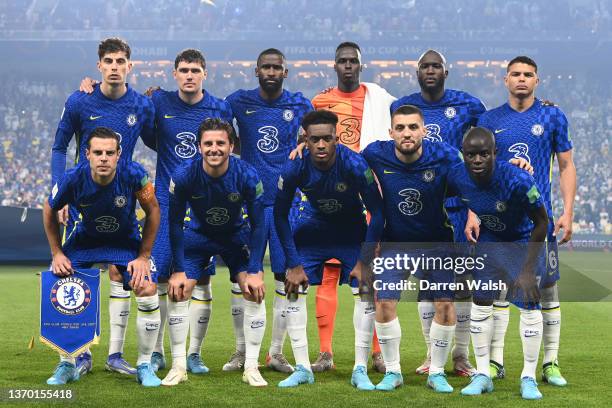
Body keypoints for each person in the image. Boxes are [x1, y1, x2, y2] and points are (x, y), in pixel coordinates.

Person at [79, 49, 233, 378]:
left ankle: (194, 354)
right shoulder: (158, 103)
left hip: (203, 203)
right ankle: (159, 350)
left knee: (200, 280)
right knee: (158, 277)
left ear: (205, 73)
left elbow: (229, 148)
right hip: (165, 201)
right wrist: (91, 87)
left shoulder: (221, 107)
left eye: (195, 69)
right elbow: (144, 132)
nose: (189, 75)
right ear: (174, 74)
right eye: (184, 70)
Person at [53, 37, 155, 377]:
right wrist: (59, 196)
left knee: (127, 274)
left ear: (130, 66)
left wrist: (159, 99)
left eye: (120, 61)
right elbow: (59, 147)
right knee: (75, 277)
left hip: (124, 200)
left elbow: (159, 140)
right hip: (84, 197)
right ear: (99, 66)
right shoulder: (80, 99)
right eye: (108, 61)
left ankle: (117, 356)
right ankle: (76, 356)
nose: (114, 67)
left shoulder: (141, 105)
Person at [476, 56, 575, 386]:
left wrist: (568, 210)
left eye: (528, 74)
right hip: (501, 222)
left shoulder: (552, 115)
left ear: (537, 80)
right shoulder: (488, 120)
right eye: (515, 74)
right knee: (499, 290)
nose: (522, 79)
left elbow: (565, 165)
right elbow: (479, 171)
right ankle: (495, 362)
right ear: (505, 80)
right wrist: (476, 211)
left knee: (547, 289)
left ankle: (550, 363)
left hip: (539, 220)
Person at [390, 49, 486, 377]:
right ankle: (432, 354)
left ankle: (460, 357)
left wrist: (476, 206)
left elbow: (484, 147)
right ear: (417, 72)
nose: (430, 71)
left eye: (436, 66)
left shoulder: (469, 105)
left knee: (461, 285)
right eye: (424, 66)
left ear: (447, 71)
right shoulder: (402, 107)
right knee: (427, 284)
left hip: (459, 209)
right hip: (422, 211)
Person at [274, 110, 384, 389]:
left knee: (365, 287)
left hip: (350, 230)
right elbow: (279, 216)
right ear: (305, 140)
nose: (321, 145)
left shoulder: (354, 165)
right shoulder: (294, 167)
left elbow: (378, 211)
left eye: (327, 139)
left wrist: (365, 259)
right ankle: (302, 369)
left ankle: (359, 368)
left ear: (337, 139)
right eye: (314, 139)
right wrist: (293, 263)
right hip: (314, 229)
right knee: (294, 287)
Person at [43, 127, 161, 386]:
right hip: (86, 240)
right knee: (62, 284)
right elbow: (48, 209)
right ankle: (68, 362)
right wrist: (56, 253)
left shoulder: (135, 175)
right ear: (87, 154)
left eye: (110, 152)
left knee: (147, 287)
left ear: (119, 154)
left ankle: (144, 364)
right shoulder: (73, 178)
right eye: (98, 152)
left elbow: (153, 211)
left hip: (125, 241)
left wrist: (143, 255)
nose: (104, 157)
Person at [307, 41, 396, 373]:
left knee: (369, 276)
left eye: (353, 61)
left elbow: (407, 117)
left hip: (368, 192)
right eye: (342, 61)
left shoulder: (379, 99)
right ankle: (326, 353)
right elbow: (306, 141)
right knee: (329, 273)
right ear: (334, 66)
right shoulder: (320, 101)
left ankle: (375, 353)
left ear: (361, 65)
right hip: (334, 198)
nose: (347, 65)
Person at [362, 105, 462, 393]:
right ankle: (393, 373)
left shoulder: (444, 156)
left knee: (445, 305)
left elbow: (476, 175)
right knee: (384, 303)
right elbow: (344, 163)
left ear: (424, 131)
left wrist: (513, 165)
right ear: (391, 132)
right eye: (401, 128)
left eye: (413, 127)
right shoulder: (374, 153)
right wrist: (302, 148)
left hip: (438, 243)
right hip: (395, 244)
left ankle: (438, 372)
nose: (407, 133)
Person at [225, 48, 313, 373]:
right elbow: (210, 118)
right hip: (248, 203)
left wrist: (305, 141)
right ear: (256, 70)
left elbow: (314, 135)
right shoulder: (238, 101)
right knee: (242, 277)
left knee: (284, 275)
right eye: (266, 67)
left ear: (285, 72)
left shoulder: (301, 104)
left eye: (277, 67)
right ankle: (239, 351)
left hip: (284, 203)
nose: (272, 72)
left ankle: (275, 353)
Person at [167, 118, 268, 387]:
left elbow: (260, 225)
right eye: (208, 143)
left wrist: (256, 269)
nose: (214, 149)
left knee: (253, 289)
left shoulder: (246, 174)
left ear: (231, 145)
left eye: (220, 143)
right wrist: (178, 269)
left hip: (236, 238)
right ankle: (178, 365)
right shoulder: (183, 175)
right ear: (199, 147)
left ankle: (251, 366)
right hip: (198, 238)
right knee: (179, 290)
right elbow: (175, 223)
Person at [451, 127, 548, 400]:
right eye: (471, 154)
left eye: (484, 154)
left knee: (530, 306)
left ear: (495, 153)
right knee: (480, 305)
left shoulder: (517, 179)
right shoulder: (457, 176)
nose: (478, 160)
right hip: (489, 243)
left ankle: (529, 377)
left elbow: (542, 221)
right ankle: (483, 374)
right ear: (464, 155)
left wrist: (528, 269)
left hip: (520, 242)